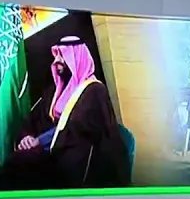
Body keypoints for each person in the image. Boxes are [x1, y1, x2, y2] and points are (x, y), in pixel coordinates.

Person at [8, 36, 130, 188]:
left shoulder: (94, 92)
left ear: (77, 59)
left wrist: (39, 141)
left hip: (79, 155)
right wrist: (27, 137)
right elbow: (34, 117)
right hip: (52, 149)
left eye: (62, 55)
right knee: (17, 161)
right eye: (56, 55)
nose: (56, 60)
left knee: (26, 165)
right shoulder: (56, 89)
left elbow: (75, 128)